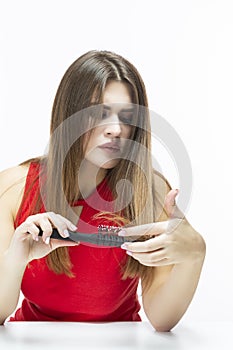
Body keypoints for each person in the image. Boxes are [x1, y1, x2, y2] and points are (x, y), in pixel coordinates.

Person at [0, 50, 206, 331]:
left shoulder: (152, 191)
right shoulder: (14, 188)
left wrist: (194, 255)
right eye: (99, 113)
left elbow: (161, 320)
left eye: (127, 116)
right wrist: (17, 257)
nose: (116, 129)